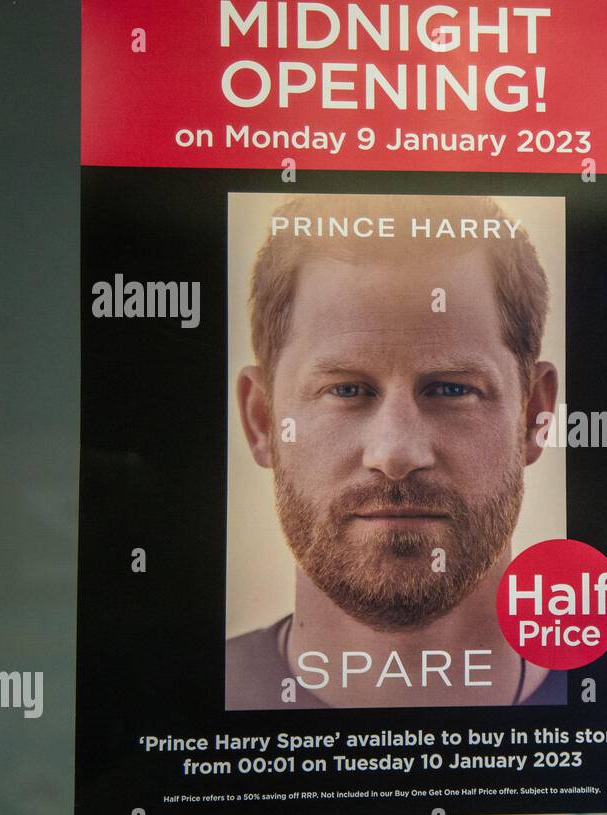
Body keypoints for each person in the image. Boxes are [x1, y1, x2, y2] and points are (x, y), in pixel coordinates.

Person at [227, 193, 563, 710]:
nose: (396, 453)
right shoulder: (160, 725)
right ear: (262, 421)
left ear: (534, 415)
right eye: (346, 390)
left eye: (452, 389)